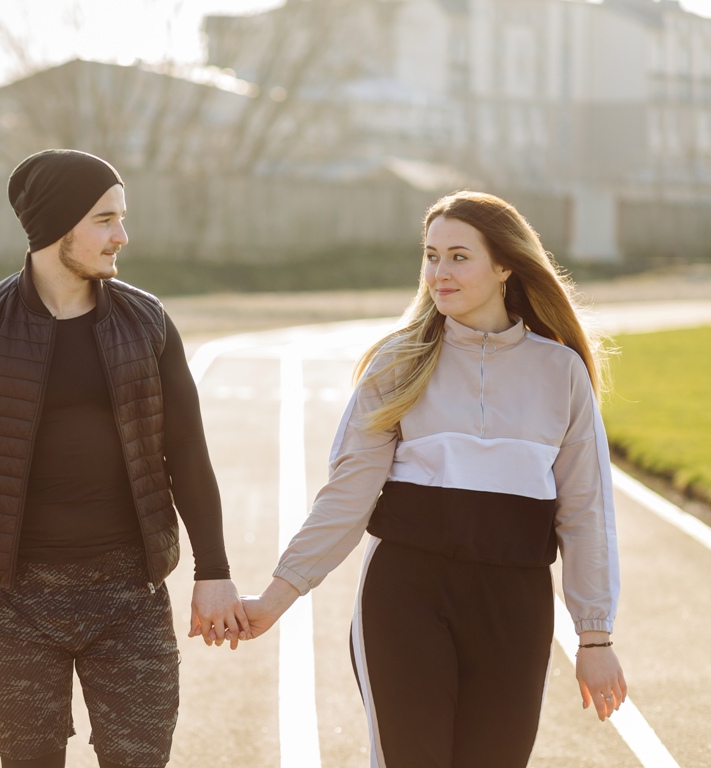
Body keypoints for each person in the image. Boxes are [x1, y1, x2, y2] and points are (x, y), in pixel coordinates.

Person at [0, 148, 250, 768]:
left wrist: (213, 570)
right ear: (58, 227)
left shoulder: (148, 324)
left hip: (130, 596)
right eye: (105, 220)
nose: (122, 236)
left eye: (121, 218)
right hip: (15, 601)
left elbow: (186, 451)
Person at [241, 191, 626, 767]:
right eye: (430, 256)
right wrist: (278, 595)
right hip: (407, 595)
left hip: (514, 604)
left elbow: (586, 510)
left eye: (458, 257)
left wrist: (594, 638)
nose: (438, 273)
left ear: (504, 267)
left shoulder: (560, 372)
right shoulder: (397, 362)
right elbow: (348, 494)